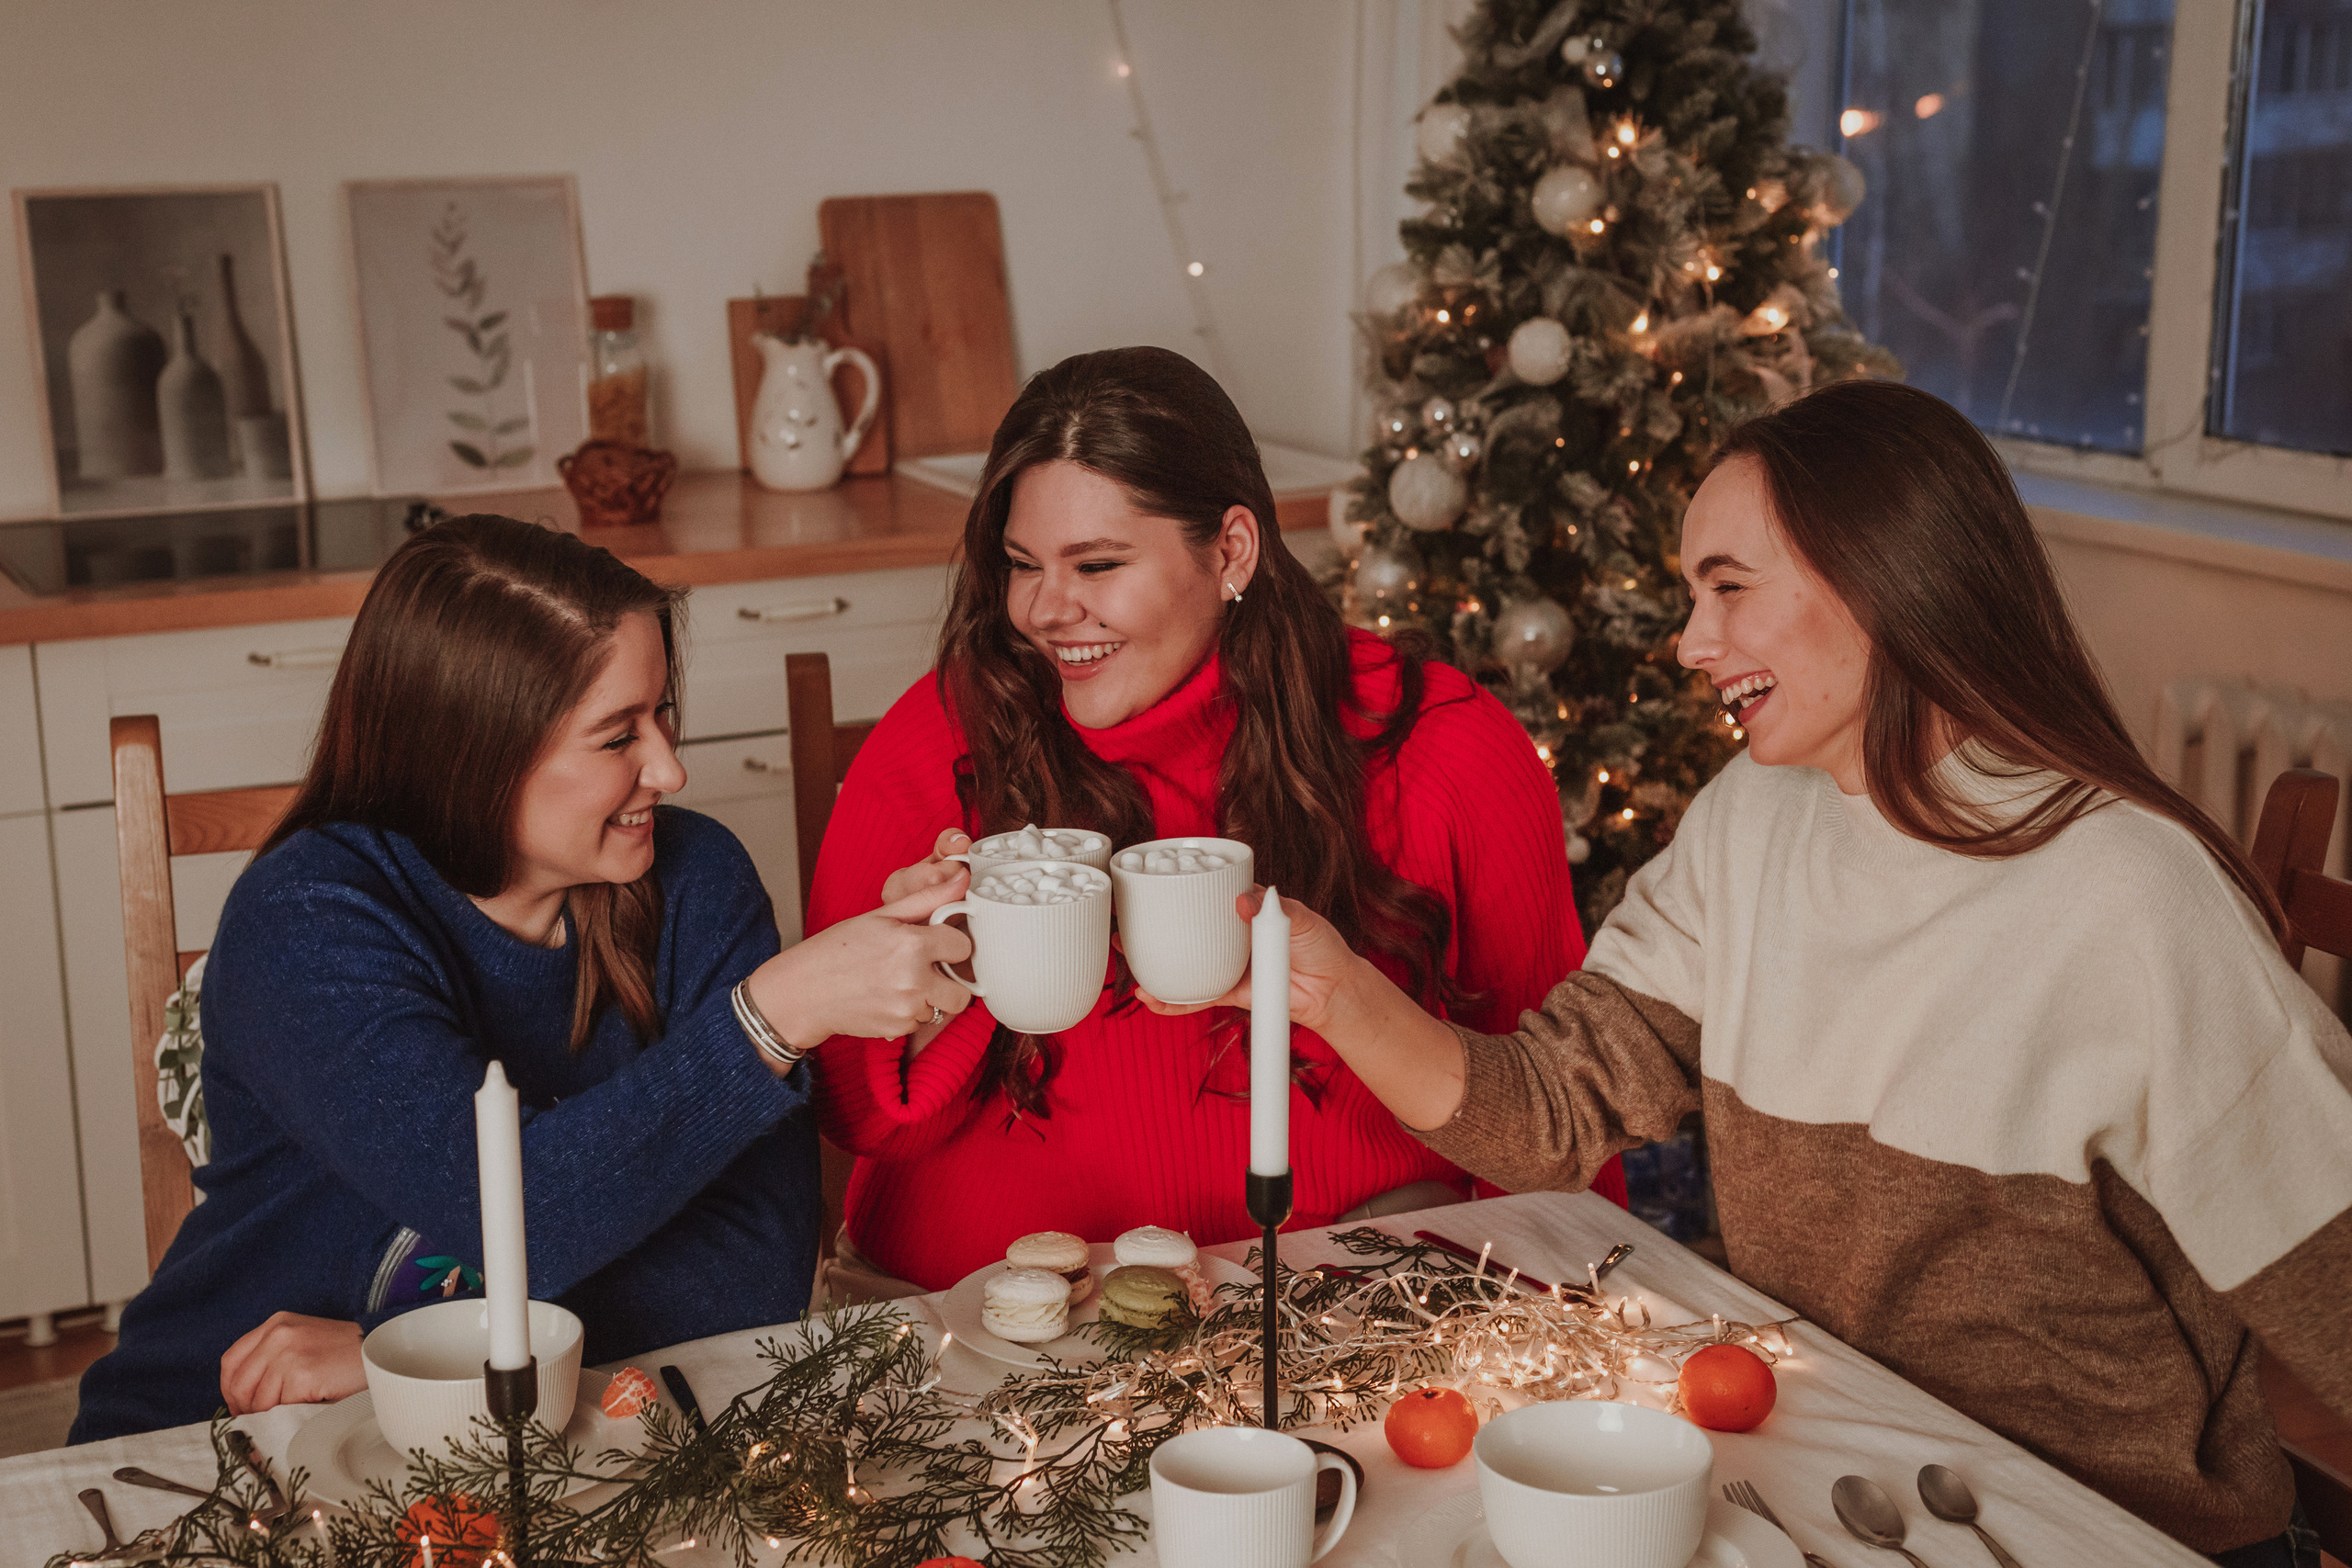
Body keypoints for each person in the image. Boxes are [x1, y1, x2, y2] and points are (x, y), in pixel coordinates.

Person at [1147, 378, 2351, 1567]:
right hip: (1842, 1466)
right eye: (1689, 593)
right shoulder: (1755, 820)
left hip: (2095, 1526)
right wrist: (1332, 984)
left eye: (1728, 587)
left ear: (1890, 577)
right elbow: (1556, 1109)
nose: (1690, 640)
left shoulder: (2130, 893)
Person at [72, 515, 973, 1441]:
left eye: (662, 711)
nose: (669, 766)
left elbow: (753, 1274)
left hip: (557, 1426)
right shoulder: (309, 917)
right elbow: (517, 1213)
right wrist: (772, 1017)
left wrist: (407, 1356)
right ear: (472, 754)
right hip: (221, 1432)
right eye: (617, 735)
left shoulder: (698, 878)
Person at [805, 345, 1620, 1299]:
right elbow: (853, 1113)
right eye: (1022, 565)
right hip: (975, 1313)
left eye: (1097, 565)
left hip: (1331, 1309)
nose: (1044, 610)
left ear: (1231, 549)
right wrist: (929, 991)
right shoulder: (948, 730)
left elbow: (1552, 1123)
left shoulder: (1443, 747)